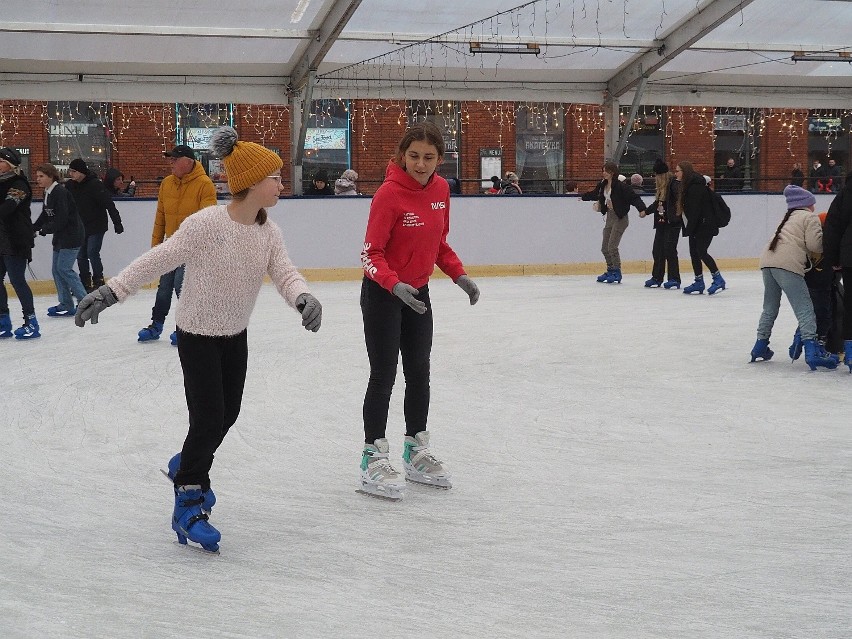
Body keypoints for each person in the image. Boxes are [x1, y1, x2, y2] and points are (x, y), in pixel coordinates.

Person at [74, 126, 323, 552]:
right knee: (208, 418)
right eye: (275, 178)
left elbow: (283, 271)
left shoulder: (269, 232)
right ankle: (189, 499)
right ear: (249, 183)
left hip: (235, 335)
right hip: (197, 335)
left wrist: (301, 295)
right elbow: (160, 257)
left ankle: (185, 463)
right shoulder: (207, 224)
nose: (281, 185)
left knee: (228, 415)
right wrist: (111, 291)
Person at [358, 121, 480, 500]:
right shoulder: (388, 195)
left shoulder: (442, 190)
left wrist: (459, 275)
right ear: (402, 155)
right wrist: (394, 284)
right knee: (383, 376)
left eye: (429, 157)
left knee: (419, 373)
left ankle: (415, 447)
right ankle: (372, 454)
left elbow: (439, 243)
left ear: (440, 160)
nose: (421, 164)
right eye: (414, 156)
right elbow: (370, 254)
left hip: (420, 295)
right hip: (384, 295)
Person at [750, 185, 837, 370]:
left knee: (770, 307)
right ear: (807, 204)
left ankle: (760, 345)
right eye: (812, 203)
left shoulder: (787, 217)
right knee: (805, 308)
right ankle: (813, 352)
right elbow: (815, 245)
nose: (814, 206)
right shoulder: (809, 217)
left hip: (767, 262)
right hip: (788, 265)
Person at [138, 144, 217, 345]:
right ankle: (156, 325)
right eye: (170, 159)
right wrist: (156, 245)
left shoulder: (204, 184)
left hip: (192, 249)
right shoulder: (167, 183)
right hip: (171, 246)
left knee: (181, 286)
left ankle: (187, 328)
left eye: (174, 159)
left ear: (188, 162)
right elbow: (160, 216)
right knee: (164, 288)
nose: (170, 163)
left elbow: (207, 220)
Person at [32, 163, 88, 317]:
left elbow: (62, 218)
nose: (38, 179)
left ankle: (86, 303)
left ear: (51, 176)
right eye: (37, 176)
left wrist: (45, 229)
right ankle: (66, 303)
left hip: (72, 235)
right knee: (56, 270)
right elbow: (46, 214)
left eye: (41, 176)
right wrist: (34, 227)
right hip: (61, 236)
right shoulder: (47, 192)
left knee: (64, 269)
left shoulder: (60, 192)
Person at [581, 161, 647, 284]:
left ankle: (617, 272)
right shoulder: (602, 184)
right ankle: (610, 269)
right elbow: (596, 194)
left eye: (605, 171)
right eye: (603, 170)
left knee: (612, 246)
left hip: (620, 218)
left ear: (612, 172)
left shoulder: (621, 186)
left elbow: (634, 197)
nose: (603, 173)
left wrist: (642, 209)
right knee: (604, 247)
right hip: (610, 217)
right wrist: (583, 196)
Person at [65, 158, 124, 293]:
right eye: (70, 171)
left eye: (73, 171)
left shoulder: (95, 185)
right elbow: (65, 204)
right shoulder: (70, 186)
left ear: (81, 172)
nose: (71, 174)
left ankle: (98, 280)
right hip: (80, 227)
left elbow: (108, 204)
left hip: (96, 225)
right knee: (81, 255)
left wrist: (117, 222)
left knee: (92, 252)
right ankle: (85, 281)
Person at [0, 147, 39, 340]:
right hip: (1, 240)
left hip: (16, 240)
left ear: (10, 164)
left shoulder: (19, 184)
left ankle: (31, 321)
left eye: (0, 161)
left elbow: (8, 208)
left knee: (17, 280)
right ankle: (3, 320)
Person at [676, 161, 725, 295]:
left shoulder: (695, 187)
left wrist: (689, 227)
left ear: (684, 172)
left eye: (678, 171)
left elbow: (696, 210)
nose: (676, 173)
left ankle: (718, 278)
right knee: (694, 252)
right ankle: (699, 281)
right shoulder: (689, 185)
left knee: (701, 251)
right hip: (697, 225)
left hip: (705, 225)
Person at [821, 170, 852, 371]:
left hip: (849, 257)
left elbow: (832, 227)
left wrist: (833, 258)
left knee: (851, 303)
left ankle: (850, 352)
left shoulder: (845, 194)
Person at [642, 159, 682, 288]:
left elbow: (680, 200)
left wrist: (677, 215)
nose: (655, 179)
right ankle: (657, 277)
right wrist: (646, 212)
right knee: (657, 250)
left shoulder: (673, 185)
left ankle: (674, 278)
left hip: (672, 223)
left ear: (661, 175)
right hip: (661, 222)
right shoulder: (661, 188)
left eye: (656, 176)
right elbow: (658, 203)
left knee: (669, 250)